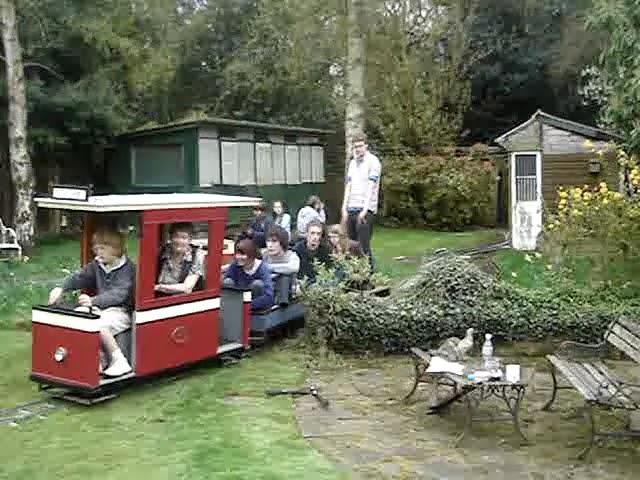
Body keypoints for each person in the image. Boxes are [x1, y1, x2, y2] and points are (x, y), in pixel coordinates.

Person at [48, 226, 135, 377]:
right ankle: (94, 363)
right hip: (102, 309)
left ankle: (119, 360)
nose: (97, 252)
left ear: (115, 249)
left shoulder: (128, 268)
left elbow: (119, 294)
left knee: (97, 322)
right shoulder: (97, 265)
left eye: (102, 248)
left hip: (122, 312)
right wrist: (61, 288)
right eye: (96, 248)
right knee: (78, 316)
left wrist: (93, 301)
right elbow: (80, 277)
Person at [341, 133, 381, 265]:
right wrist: (344, 208)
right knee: (352, 246)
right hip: (351, 207)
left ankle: (369, 275)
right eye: (355, 146)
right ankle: (354, 274)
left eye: (360, 146)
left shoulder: (373, 162)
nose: (358, 149)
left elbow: (371, 187)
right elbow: (349, 185)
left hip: (365, 209)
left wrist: (364, 210)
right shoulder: (352, 163)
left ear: (366, 146)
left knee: (363, 246)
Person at [223, 238, 274, 312]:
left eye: (243, 254)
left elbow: (269, 297)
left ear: (251, 255)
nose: (239, 257)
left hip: (255, 305)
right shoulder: (235, 266)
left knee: (257, 284)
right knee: (227, 281)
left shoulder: (262, 268)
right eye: (237, 254)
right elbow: (225, 284)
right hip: (239, 301)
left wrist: (248, 305)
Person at [154, 222, 206, 296]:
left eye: (184, 237)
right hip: (158, 297)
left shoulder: (197, 255)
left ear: (190, 239)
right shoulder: (162, 251)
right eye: (176, 236)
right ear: (170, 237)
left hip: (183, 300)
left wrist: (158, 287)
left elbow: (187, 288)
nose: (179, 241)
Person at [263, 226, 300, 305]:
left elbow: (293, 267)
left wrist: (269, 268)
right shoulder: (264, 255)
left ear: (282, 243)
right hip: (268, 292)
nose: (270, 245)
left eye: (274, 241)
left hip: (287, 295)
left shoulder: (291, 255)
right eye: (268, 241)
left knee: (284, 278)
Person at [293, 219, 331, 284]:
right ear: (307, 234)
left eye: (318, 234)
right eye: (312, 233)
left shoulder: (326, 251)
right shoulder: (297, 250)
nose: (315, 237)